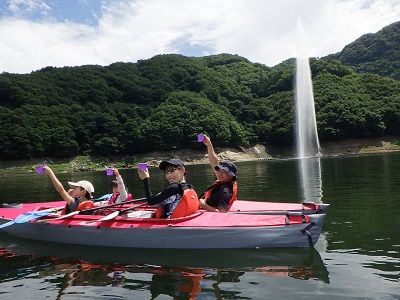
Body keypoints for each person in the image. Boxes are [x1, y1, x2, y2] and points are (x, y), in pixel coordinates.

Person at [198, 135, 238, 213]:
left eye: (224, 172)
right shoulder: (223, 180)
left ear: (230, 175)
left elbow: (222, 213)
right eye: (219, 170)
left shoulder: (225, 191)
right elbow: (214, 162)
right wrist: (209, 144)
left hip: (204, 208)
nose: (219, 173)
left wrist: (204, 205)